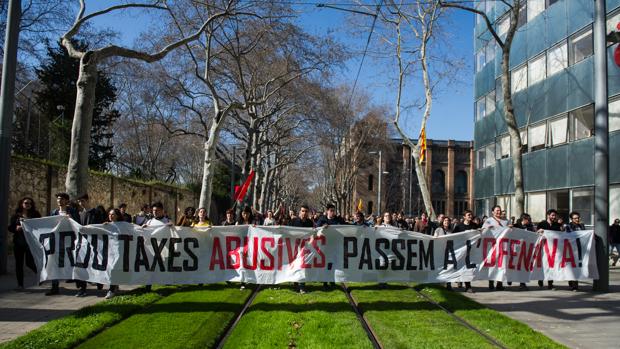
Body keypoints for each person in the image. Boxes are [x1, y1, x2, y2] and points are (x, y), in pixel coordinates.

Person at [46, 193, 80, 296]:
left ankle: (80, 284)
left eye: (61, 199)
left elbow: (78, 225)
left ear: (66, 201)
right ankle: (54, 287)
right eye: (58, 199)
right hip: (57, 242)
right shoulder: (54, 212)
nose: (59, 201)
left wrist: (71, 218)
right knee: (54, 263)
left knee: (73, 262)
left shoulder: (73, 212)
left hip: (70, 242)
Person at [8, 197, 41, 290]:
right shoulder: (16, 216)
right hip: (18, 243)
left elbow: (40, 225)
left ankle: (41, 275)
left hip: (30, 243)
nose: (27, 205)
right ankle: (20, 285)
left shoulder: (35, 214)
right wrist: (16, 228)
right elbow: (10, 227)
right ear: (22, 204)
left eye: (30, 203)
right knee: (19, 264)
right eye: (26, 203)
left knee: (29, 262)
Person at [75, 194, 104, 297]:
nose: (81, 203)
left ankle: (99, 281)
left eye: (82, 200)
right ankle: (82, 288)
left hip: (95, 243)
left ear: (87, 200)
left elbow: (100, 226)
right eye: (79, 201)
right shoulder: (79, 214)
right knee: (81, 265)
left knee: (95, 263)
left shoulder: (96, 212)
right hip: (83, 243)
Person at [316, 204, 346, 289]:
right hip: (325, 247)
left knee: (333, 264)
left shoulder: (338, 219)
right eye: (331, 211)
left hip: (335, 246)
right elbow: (317, 228)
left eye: (334, 210)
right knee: (326, 265)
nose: (333, 212)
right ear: (327, 211)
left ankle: (332, 281)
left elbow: (347, 226)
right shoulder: (322, 219)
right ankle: (325, 282)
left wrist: (361, 226)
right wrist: (322, 227)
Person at [482, 205, 509, 291]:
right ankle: (491, 282)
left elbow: (510, 233)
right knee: (492, 265)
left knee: (502, 265)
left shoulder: (505, 221)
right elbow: (483, 231)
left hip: (503, 247)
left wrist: (511, 229)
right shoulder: (488, 221)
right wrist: (486, 228)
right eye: (497, 210)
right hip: (492, 247)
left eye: (499, 210)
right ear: (492, 212)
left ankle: (499, 283)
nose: (498, 212)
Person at [289, 205, 314, 294]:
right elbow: (287, 231)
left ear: (308, 213)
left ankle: (302, 286)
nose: (304, 213)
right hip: (294, 248)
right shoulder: (293, 221)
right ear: (300, 212)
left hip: (304, 248)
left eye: (306, 211)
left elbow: (313, 233)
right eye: (302, 211)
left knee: (302, 266)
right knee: (296, 265)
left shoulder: (310, 223)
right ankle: (296, 283)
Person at [453, 209, 479, 293]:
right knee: (461, 266)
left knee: (468, 268)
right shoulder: (459, 226)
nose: (470, 216)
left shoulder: (474, 225)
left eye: (471, 215)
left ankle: (468, 286)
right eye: (468, 215)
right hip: (461, 250)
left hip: (471, 251)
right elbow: (453, 237)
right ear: (464, 217)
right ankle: (459, 280)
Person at [536, 209, 562, 290]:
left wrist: (561, 227)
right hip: (543, 248)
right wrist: (539, 231)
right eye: (552, 215)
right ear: (548, 215)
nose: (554, 217)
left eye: (555, 216)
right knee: (543, 264)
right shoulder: (542, 223)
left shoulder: (557, 225)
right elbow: (536, 234)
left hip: (553, 249)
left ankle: (550, 283)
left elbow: (560, 235)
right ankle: (541, 279)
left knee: (551, 265)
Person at [103, 208, 123, 299]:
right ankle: (115, 286)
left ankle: (111, 290)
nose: (110, 216)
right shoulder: (107, 225)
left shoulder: (123, 225)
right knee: (111, 269)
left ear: (117, 216)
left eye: (113, 214)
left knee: (114, 268)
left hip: (118, 250)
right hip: (109, 251)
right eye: (109, 214)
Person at [513, 213, 536, 290]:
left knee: (523, 267)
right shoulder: (516, 226)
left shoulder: (530, 227)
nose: (530, 221)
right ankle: (510, 279)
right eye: (528, 220)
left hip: (526, 250)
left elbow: (534, 235)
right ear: (524, 219)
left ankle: (522, 283)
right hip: (516, 250)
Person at [565, 211, 585, 291]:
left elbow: (585, 234)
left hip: (580, 248)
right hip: (571, 249)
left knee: (577, 266)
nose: (577, 219)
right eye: (575, 218)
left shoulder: (582, 225)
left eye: (578, 218)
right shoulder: (568, 226)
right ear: (571, 219)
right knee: (573, 266)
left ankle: (574, 282)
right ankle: (574, 284)